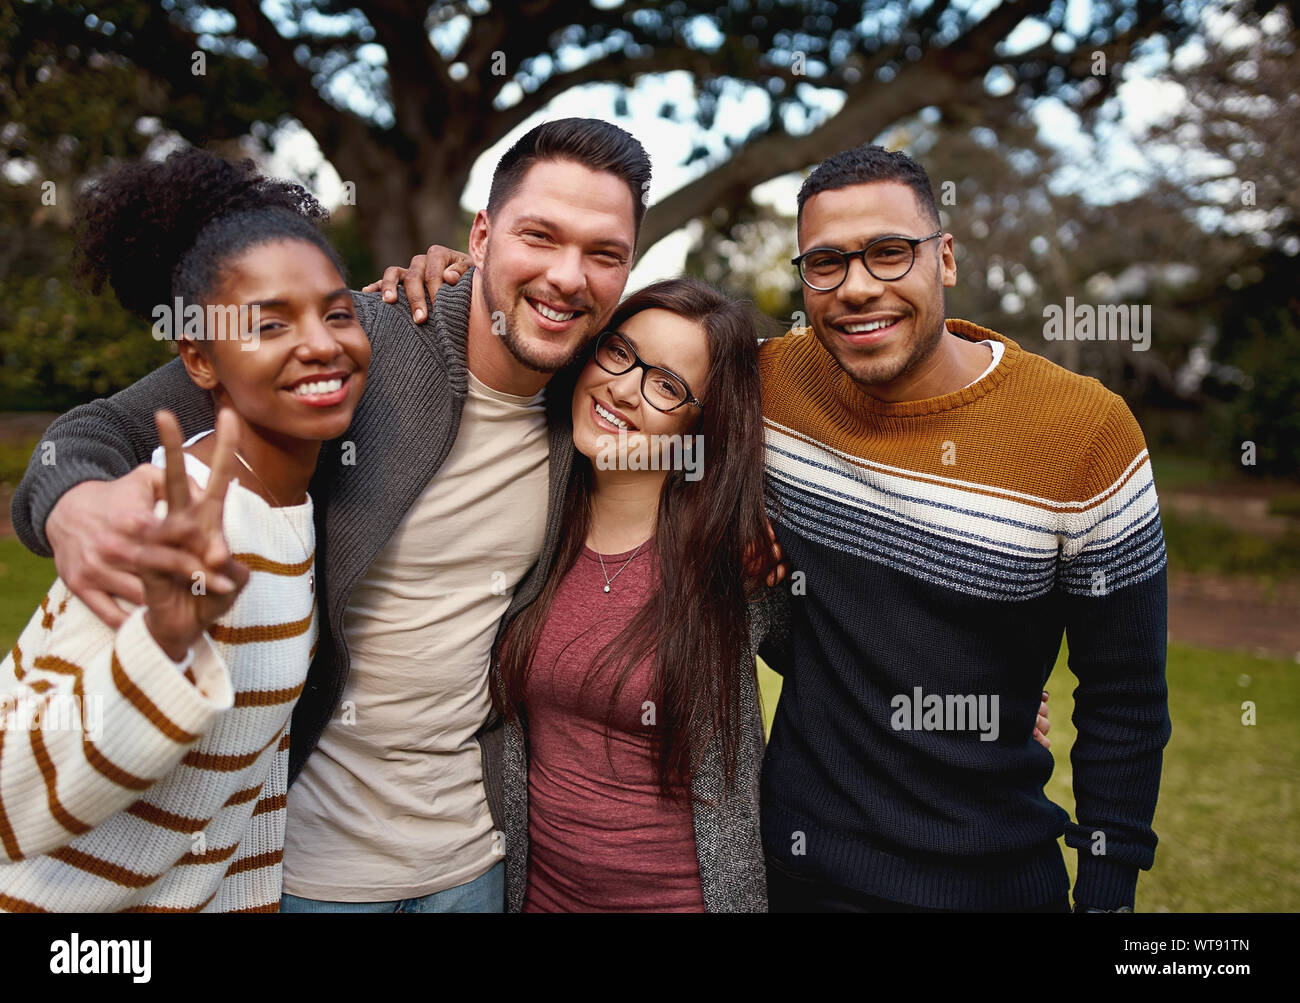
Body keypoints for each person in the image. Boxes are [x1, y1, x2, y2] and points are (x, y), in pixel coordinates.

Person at [371, 142, 1161, 915]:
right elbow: (620, 349)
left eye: (889, 253)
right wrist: (454, 281)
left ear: (944, 257)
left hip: (993, 878)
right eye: (825, 263)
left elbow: (1125, 698)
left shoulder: (1083, 429)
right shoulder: (770, 381)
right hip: (804, 871)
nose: (857, 287)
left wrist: (1105, 886)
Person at [10, 118, 651, 913]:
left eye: (604, 253)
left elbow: (716, 391)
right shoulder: (359, 335)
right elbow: (92, 432)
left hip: (473, 863)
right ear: (482, 234)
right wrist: (75, 506)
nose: (566, 276)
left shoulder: (601, 400)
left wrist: (750, 529)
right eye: (540, 236)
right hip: (309, 868)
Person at [0, 147, 369, 911]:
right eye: (270, 323)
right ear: (198, 359)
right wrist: (160, 648)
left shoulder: (292, 513)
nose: (323, 342)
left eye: (337, 311)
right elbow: (10, 793)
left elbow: (240, 802)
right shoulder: (165, 519)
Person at [492, 278, 777, 912]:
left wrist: (1000, 704)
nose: (624, 389)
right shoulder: (528, 509)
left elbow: (858, 643)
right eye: (619, 352)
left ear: (704, 420)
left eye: (668, 386)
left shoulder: (738, 560)